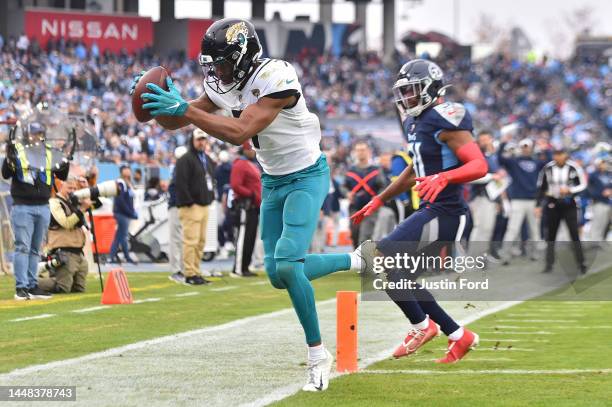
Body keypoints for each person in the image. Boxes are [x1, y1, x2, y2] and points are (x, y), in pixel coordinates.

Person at [137, 18, 361, 391]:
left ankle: (318, 355)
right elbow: (176, 121)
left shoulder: (277, 76)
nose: (215, 72)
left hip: (307, 175)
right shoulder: (222, 83)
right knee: (277, 275)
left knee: (289, 264)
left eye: (220, 62)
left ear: (242, 56)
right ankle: (352, 260)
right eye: (211, 64)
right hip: (272, 181)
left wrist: (184, 110)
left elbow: (240, 131)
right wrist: (155, 104)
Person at [352, 59, 487, 363]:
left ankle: (422, 326)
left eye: (412, 90)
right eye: (404, 92)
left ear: (431, 88)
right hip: (432, 208)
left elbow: (479, 165)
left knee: (381, 257)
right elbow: (417, 168)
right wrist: (379, 198)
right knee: (398, 273)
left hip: (449, 211)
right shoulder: (416, 121)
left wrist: (445, 177)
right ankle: (457, 334)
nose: (406, 98)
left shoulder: (444, 117)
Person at [2, 122, 69, 300]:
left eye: (39, 133)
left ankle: (32, 285)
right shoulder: (18, 150)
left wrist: (65, 157)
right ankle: (21, 287)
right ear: (26, 134)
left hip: (43, 205)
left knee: (35, 249)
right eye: (34, 133)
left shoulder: (49, 151)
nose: (36, 136)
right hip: (23, 206)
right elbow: (6, 174)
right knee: (22, 247)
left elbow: (62, 175)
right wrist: (9, 158)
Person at [497, 136, 549, 263]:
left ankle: (535, 253)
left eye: (528, 147)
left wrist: (545, 149)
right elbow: (500, 158)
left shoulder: (536, 163)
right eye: (523, 147)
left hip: (533, 201)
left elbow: (549, 162)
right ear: (520, 148)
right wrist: (503, 143)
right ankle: (505, 254)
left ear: (531, 148)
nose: (525, 149)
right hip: (518, 200)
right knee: (512, 229)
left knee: (534, 229)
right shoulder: (514, 162)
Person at [174, 129, 216, 285]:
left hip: (204, 205)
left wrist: (211, 197)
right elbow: (181, 183)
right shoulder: (185, 159)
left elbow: (211, 180)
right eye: (198, 139)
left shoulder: (206, 159)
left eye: (203, 139)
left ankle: (196, 271)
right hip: (192, 206)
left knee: (200, 241)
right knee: (190, 241)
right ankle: (189, 273)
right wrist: (189, 202)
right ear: (192, 140)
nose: (201, 142)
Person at [536, 148, 587, 273]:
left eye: (561, 154)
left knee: (574, 234)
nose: (559, 157)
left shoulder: (573, 167)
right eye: (556, 155)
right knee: (551, 235)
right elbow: (541, 186)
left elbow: (583, 184)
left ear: (565, 155)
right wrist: (538, 205)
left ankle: (581, 263)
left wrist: (570, 190)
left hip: (569, 204)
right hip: (553, 203)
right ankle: (549, 264)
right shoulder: (548, 168)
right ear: (553, 156)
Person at [38, 176, 90, 293]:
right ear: (61, 186)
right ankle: (30, 281)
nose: (72, 191)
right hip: (64, 252)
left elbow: (97, 205)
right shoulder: (54, 202)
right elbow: (65, 223)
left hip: (78, 252)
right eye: (69, 187)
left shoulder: (74, 202)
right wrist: (81, 209)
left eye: (74, 188)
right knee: (63, 288)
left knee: (79, 289)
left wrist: (87, 193)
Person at [345, 141, 386, 248]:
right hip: (354, 207)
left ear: (368, 152)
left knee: (365, 235)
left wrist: (377, 196)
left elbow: (383, 186)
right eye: (358, 150)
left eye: (363, 150)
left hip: (370, 208)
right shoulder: (350, 170)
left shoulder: (376, 170)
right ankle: (357, 258)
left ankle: (364, 261)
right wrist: (347, 193)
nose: (360, 153)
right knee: (354, 234)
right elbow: (343, 186)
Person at [229, 142, 261, 277]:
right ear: (246, 150)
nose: (254, 152)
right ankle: (238, 268)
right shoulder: (240, 164)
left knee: (250, 238)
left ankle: (245, 266)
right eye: (252, 149)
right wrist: (251, 194)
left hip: (253, 206)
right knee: (243, 238)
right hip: (245, 206)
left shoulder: (250, 164)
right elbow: (235, 185)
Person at [109, 165, 138, 264]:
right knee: (122, 236)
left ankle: (121, 256)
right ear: (122, 171)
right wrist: (130, 212)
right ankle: (115, 256)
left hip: (125, 213)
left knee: (121, 235)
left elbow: (129, 199)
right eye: (126, 169)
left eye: (129, 169)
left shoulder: (128, 183)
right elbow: (120, 200)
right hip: (121, 213)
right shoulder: (121, 183)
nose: (128, 171)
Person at [168, 146, 188, 284]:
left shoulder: (180, 169)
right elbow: (175, 188)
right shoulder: (178, 169)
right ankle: (176, 270)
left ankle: (182, 268)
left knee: (182, 239)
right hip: (176, 206)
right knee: (176, 239)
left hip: (182, 205)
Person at [587, 158, 611, 241]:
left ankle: (601, 242)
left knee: (606, 224)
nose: (603, 165)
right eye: (601, 163)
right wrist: (601, 194)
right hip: (599, 202)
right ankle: (594, 243)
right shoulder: (593, 175)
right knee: (597, 224)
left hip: (609, 202)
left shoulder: (609, 174)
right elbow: (589, 190)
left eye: (604, 163)